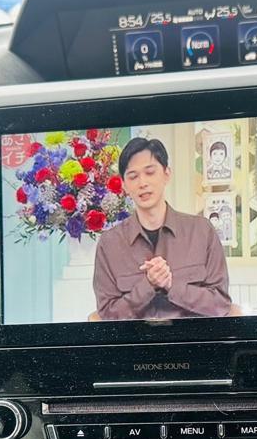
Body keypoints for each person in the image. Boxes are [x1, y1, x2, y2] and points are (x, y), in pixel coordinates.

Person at [93, 137, 233, 320]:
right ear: (124, 185)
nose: (142, 183)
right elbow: (106, 315)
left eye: (150, 172)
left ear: (167, 174)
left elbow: (220, 304)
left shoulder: (201, 231)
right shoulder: (110, 243)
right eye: (133, 176)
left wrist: (171, 285)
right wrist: (147, 285)